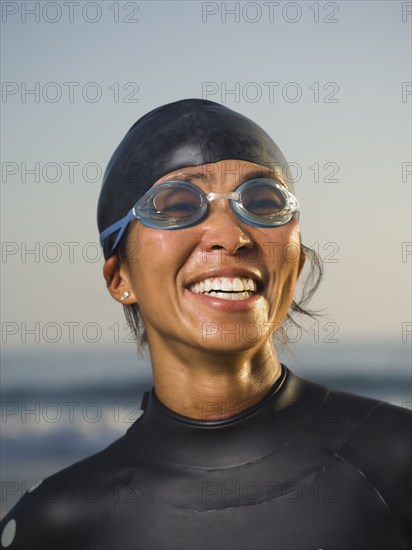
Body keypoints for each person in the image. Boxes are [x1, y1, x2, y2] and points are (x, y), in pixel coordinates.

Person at [1, 99, 410, 550]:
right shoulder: (57, 523)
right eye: (177, 206)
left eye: (262, 201)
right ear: (120, 277)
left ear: (296, 259)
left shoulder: (398, 461)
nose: (230, 237)